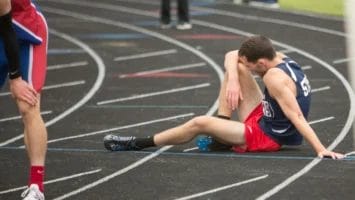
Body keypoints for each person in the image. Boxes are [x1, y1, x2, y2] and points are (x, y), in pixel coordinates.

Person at [103, 35, 344, 159]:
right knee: (234, 71)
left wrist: (321, 149)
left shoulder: (274, 78)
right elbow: (232, 54)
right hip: (266, 118)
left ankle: (138, 142)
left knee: (200, 123)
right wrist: (232, 79)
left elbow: (298, 116)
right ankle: (224, 132)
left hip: (266, 137)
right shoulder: (278, 58)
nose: (248, 69)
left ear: (261, 62)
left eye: (251, 67)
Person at [0, 0, 48, 199]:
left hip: (25, 32)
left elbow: (7, 28)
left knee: (27, 105)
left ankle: (36, 186)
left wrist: (16, 78)